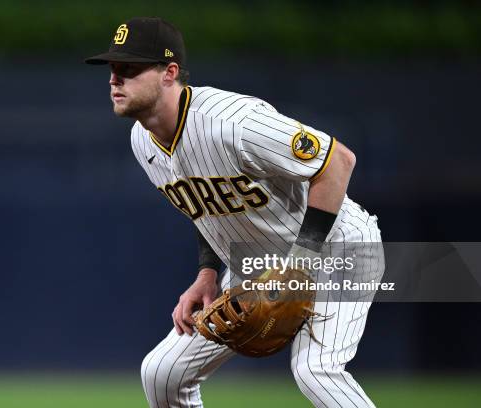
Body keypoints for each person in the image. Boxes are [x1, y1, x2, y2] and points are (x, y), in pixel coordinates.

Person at [86, 17, 384, 408]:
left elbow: (338, 162)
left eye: (130, 69)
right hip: (256, 264)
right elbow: (203, 206)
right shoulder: (142, 140)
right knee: (162, 374)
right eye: (112, 70)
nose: (115, 80)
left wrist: (299, 264)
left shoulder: (233, 122)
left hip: (336, 248)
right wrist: (207, 274)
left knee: (317, 371)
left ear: (169, 73)